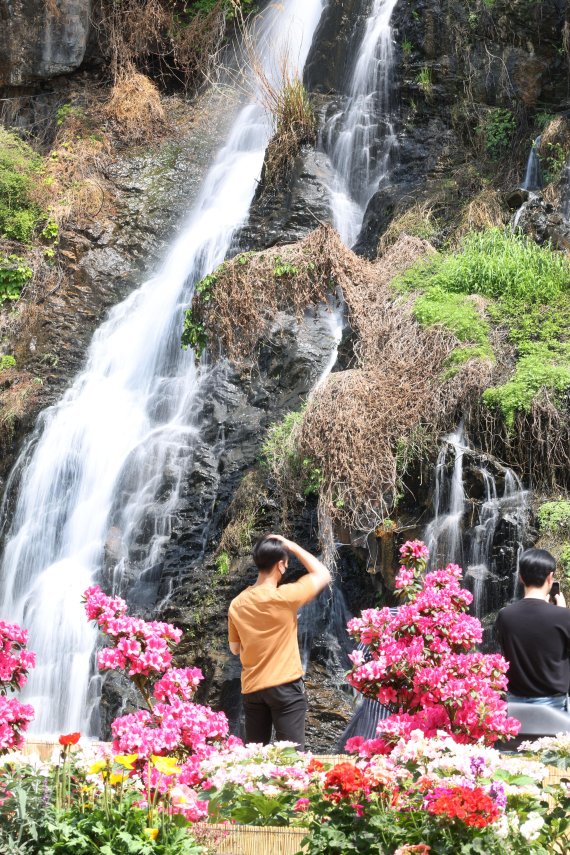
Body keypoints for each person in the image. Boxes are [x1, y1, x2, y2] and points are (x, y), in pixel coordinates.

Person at [228, 533, 331, 749]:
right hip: (285, 687)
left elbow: (234, 649)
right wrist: (292, 545)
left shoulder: (237, 604)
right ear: (281, 565)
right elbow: (323, 574)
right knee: (292, 759)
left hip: (253, 690)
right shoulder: (285, 597)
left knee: (256, 758)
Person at [495, 548, 570, 711]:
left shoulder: (504, 616)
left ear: (521, 577)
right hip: (555, 707)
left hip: (514, 706)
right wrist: (562, 612)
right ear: (550, 577)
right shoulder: (564, 617)